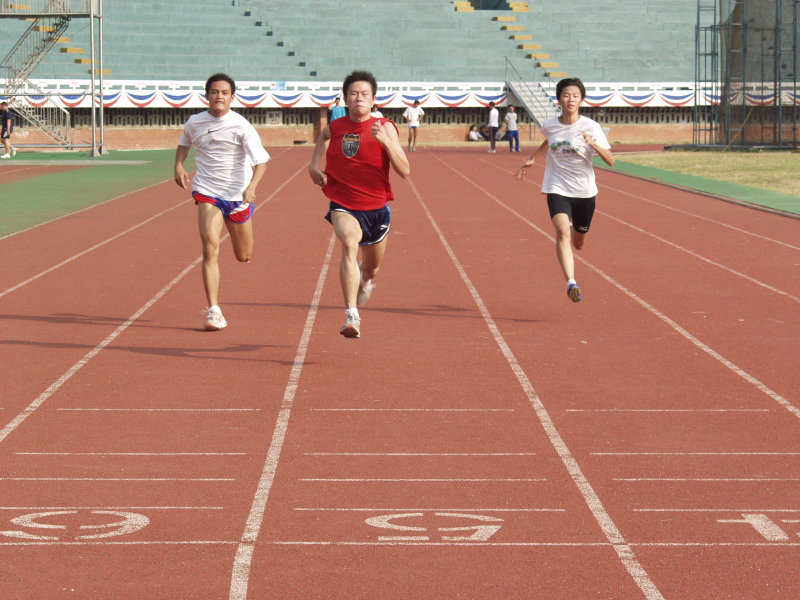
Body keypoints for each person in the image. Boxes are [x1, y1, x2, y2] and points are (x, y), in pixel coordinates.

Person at [308, 70, 410, 338]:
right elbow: (322, 138)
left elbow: (405, 170)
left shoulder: (385, 127)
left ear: (374, 99)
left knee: (372, 267)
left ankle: (365, 280)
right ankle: (351, 315)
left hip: (376, 208)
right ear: (345, 99)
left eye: (364, 94)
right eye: (353, 94)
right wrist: (313, 165)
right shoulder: (337, 126)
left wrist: (386, 142)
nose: (359, 98)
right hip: (343, 203)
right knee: (349, 245)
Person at [174, 73, 270, 330]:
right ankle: (214, 311)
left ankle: (239, 241)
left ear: (232, 97)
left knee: (243, 255)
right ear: (207, 95)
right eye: (215, 92)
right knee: (210, 244)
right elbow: (184, 145)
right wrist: (179, 165)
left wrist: (251, 187)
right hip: (207, 190)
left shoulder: (241, 125)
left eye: (224, 93)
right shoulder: (195, 122)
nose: (219, 96)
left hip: (237, 195)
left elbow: (261, 162)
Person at [513, 77, 614, 303]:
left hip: (585, 192)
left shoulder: (591, 127)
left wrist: (593, 143)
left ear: (581, 100)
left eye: (575, 96)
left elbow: (611, 160)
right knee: (561, 231)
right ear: (559, 99)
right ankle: (571, 282)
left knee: (578, 243)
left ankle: (575, 230)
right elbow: (548, 141)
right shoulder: (550, 125)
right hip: (557, 186)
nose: (571, 99)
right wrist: (532, 159)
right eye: (566, 95)